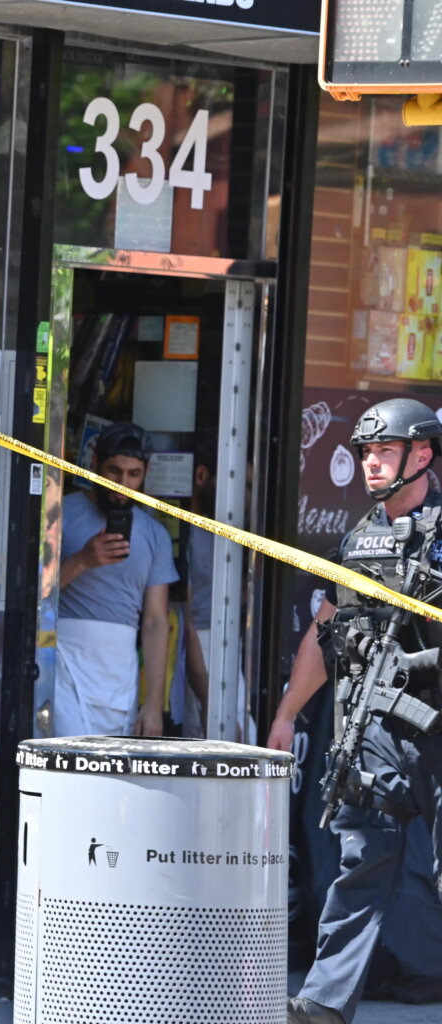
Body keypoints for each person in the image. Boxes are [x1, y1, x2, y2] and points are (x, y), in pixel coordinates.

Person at [269, 397, 442, 1024]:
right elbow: (328, 626)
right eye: (365, 452)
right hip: (378, 733)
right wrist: (289, 713)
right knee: (360, 860)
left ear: (421, 455)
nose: (370, 462)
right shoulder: (361, 539)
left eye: (384, 451)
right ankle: (322, 1003)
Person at [54, 421, 177, 737]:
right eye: (114, 471)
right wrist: (82, 561)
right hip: (64, 659)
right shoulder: (58, 513)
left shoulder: (155, 535)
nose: (123, 483)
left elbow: (154, 622)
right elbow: (34, 593)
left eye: (134, 474)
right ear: (94, 463)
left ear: (145, 472)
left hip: (119, 672)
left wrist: (153, 704)